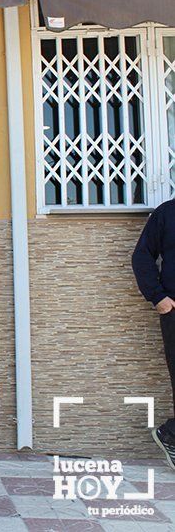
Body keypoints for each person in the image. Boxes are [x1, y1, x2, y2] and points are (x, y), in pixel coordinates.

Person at [132, 197, 175, 469]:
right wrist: (158, 297)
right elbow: (142, 256)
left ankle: (171, 433)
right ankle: (171, 435)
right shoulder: (167, 214)